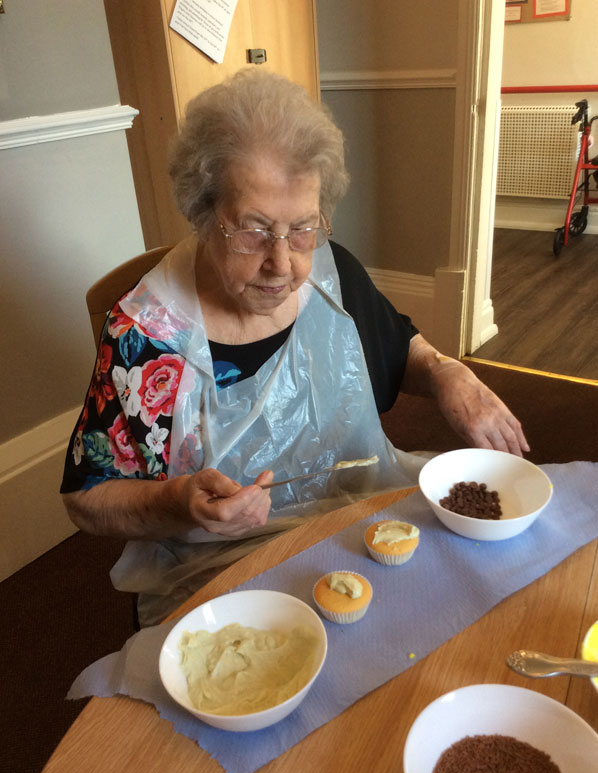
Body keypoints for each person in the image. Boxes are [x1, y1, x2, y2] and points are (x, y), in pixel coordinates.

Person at [61, 69, 528, 626]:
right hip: (226, 568)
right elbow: (87, 497)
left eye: (303, 228)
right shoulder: (144, 338)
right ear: (204, 216)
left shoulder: (335, 277)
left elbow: (403, 351)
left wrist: (448, 372)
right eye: (253, 230)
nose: (282, 264)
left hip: (364, 525)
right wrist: (178, 501)